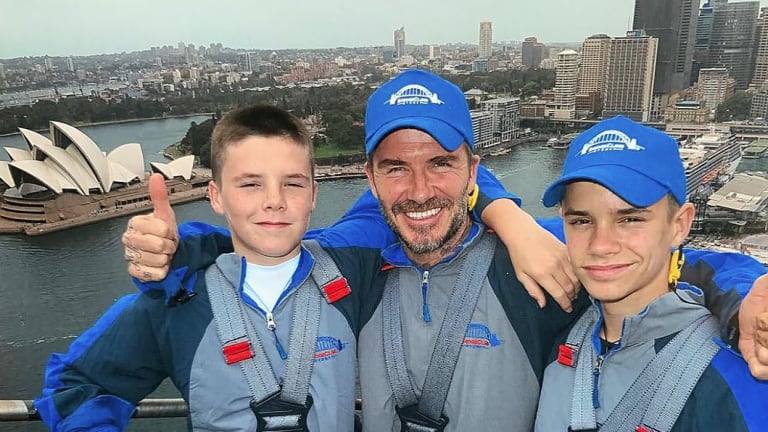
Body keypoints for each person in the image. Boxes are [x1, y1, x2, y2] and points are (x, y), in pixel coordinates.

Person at [118, 70, 768, 431]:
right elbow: (270, 249)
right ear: (370, 181)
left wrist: (746, 293)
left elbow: (655, 274)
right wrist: (182, 249)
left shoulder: (538, 268)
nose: (421, 189)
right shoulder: (357, 270)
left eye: (441, 164)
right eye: (396, 168)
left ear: (472, 170)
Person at [35, 105, 364, 431]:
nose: (274, 200)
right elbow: (76, 386)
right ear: (216, 196)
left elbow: (386, 205)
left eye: (293, 184)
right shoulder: (174, 303)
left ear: (313, 195)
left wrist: (191, 246)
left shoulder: (353, 274)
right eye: (251, 184)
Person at [534, 116, 768, 431]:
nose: (600, 245)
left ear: (679, 225)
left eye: (631, 219)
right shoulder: (556, 325)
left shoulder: (739, 381)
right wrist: (503, 213)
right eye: (581, 221)